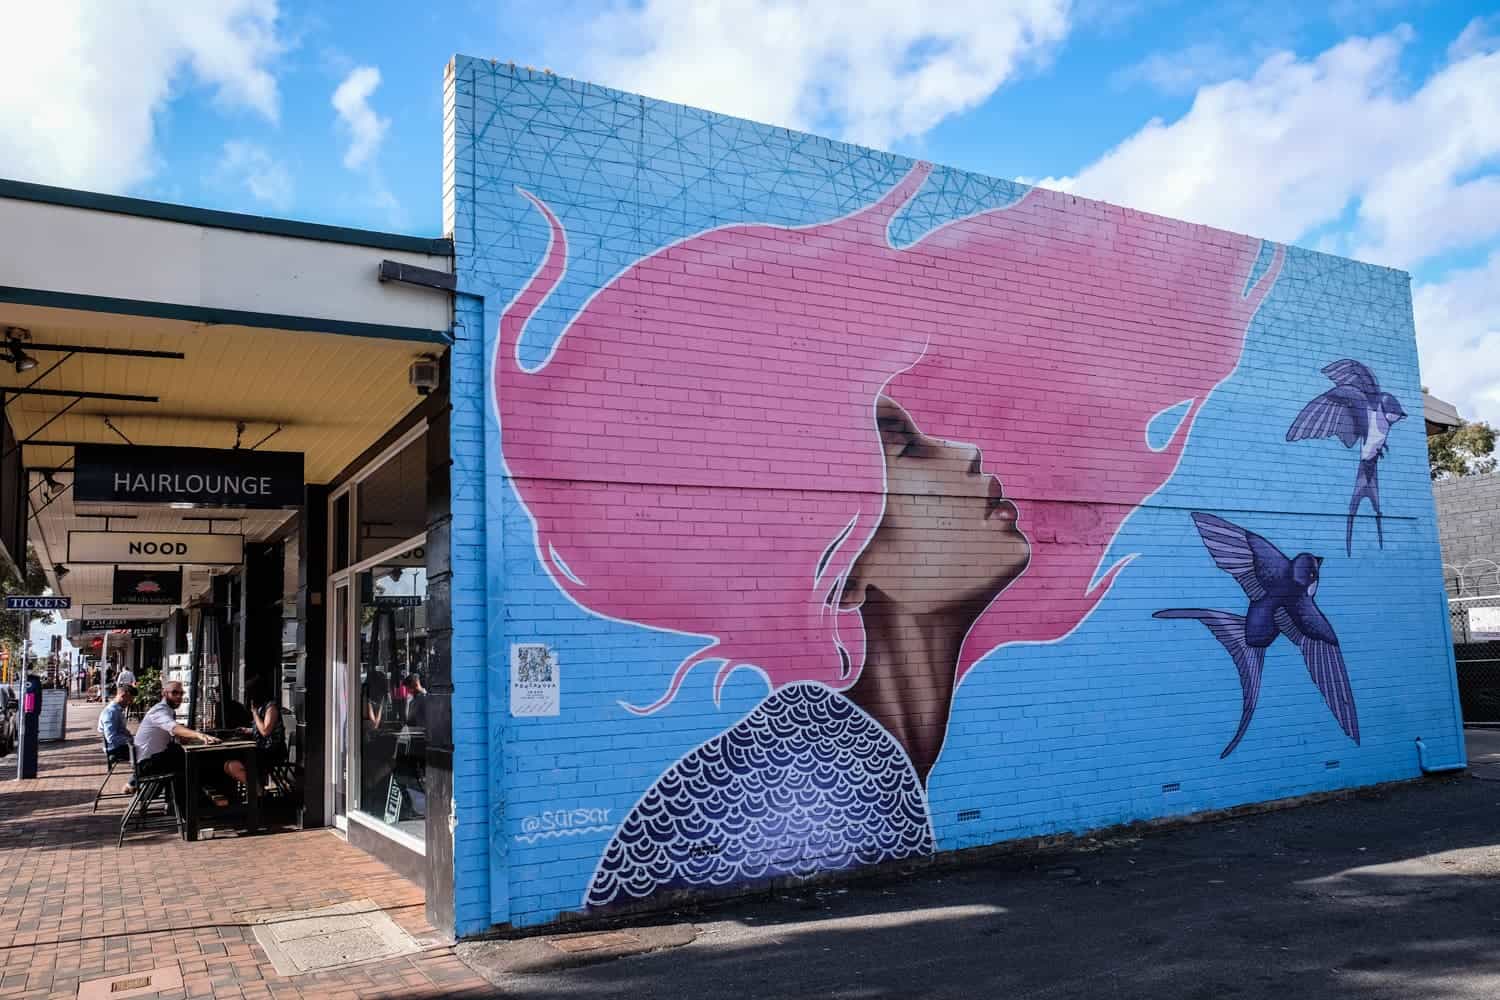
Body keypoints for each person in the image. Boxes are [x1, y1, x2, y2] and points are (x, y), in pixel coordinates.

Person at [494, 164, 1284, 909]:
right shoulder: (820, 799)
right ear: (835, 565)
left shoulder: (840, 767)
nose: (967, 450)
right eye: (902, 443)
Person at [133, 680, 220, 813]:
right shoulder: (159, 710)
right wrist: (199, 735)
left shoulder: (168, 710)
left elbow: (176, 734)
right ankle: (190, 809)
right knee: (190, 763)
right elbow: (173, 727)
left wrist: (191, 737)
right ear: (164, 693)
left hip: (153, 759)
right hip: (147, 764)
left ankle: (179, 805)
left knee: (183, 756)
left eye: (181, 693)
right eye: (174, 693)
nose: (179, 696)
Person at [97, 684, 136, 765]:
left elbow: (120, 730)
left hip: (119, 746)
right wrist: (130, 740)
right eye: (130, 699)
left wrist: (131, 736)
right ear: (123, 695)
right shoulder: (111, 712)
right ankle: (137, 775)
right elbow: (111, 738)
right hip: (114, 749)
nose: (131, 703)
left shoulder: (117, 710)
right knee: (146, 752)